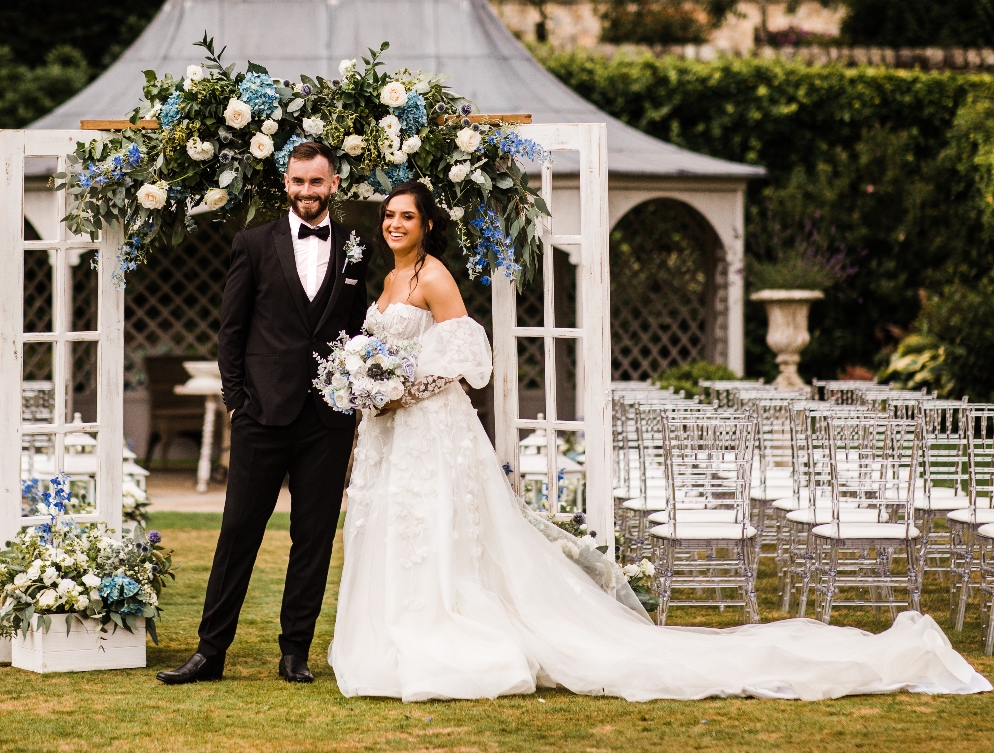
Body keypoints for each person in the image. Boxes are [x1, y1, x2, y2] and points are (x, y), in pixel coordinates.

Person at [327, 180, 992, 702]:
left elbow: (471, 353)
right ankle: (394, 633)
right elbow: (389, 353)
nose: (394, 224)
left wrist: (401, 385)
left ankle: (446, 633)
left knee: (438, 531)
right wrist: (369, 383)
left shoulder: (434, 277)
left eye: (406, 217)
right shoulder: (387, 281)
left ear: (428, 225)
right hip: (394, 436)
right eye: (389, 216)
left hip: (431, 428)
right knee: (402, 532)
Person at [157, 141, 372, 685]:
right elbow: (231, 330)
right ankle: (211, 651)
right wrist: (236, 402)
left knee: (314, 535)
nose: (307, 191)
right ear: (286, 184)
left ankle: (294, 651)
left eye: (316, 182)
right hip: (261, 415)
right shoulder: (252, 243)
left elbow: (362, 327)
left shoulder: (356, 248)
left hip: (327, 416)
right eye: (298, 182)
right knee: (238, 532)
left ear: (334, 185)